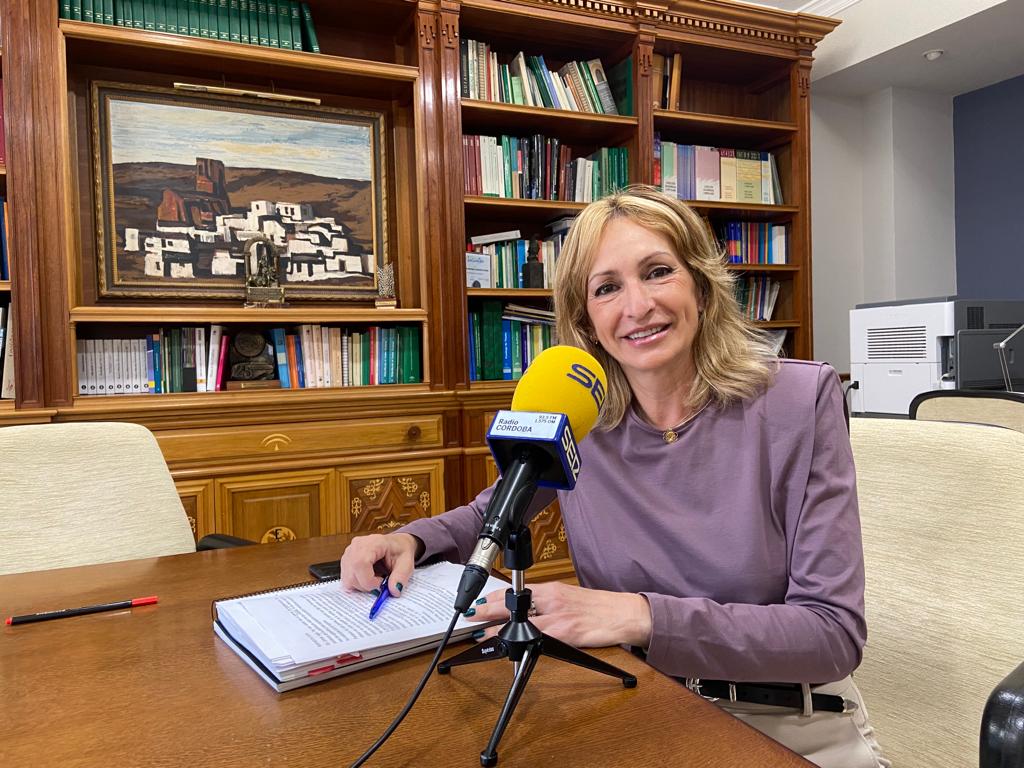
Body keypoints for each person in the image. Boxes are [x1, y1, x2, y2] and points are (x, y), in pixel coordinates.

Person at [341, 185, 889, 768]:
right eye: (607, 287)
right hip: (635, 702)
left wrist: (639, 615)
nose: (637, 306)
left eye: (658, 272)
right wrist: (409, 539)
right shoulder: (582, 414)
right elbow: (491, 514)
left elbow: (831, 636)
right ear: (586, 319)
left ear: (701, 286)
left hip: (785, 722)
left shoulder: (797, 401)